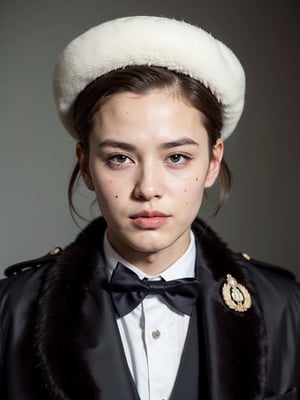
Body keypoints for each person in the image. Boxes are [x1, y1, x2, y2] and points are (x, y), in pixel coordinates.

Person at [0, 15, 299, 400]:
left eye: (176, 157)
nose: (148, 189)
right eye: (120, 159)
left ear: (212, 161)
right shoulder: (11, 312)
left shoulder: (285, 309)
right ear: (85, 166)